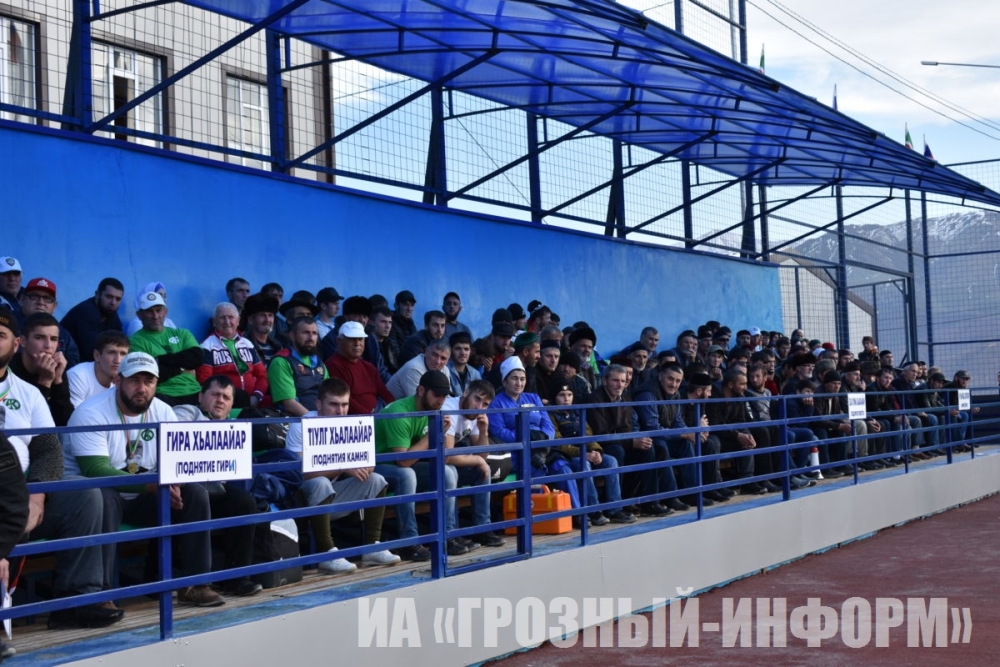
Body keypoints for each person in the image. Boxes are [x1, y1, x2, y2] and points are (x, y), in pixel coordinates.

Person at [66, 352, 225, 607]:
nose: (142, 388)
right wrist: (154, 485)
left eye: (149, 381)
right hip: (93, 500)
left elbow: (177, 460)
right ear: (118, 380)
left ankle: (196, 584)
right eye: (134, 380)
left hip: (143, 495)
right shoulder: (90, 412)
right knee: (103, 495)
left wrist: (175, 483)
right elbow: (94, 469)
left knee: (194, 493)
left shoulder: (163, 411)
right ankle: (100, 594)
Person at [0, 307, 123, 629]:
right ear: (25, 343)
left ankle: (76, 600)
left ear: (14, 343)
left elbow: (49, 448)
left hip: (23, 492)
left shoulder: (27, 392)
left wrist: (37, 496)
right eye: (40, 338)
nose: (47, 346)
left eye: (0, 336)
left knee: (85, 495)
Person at [283, 378, 402, 572]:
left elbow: (369, 464)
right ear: (318, 404)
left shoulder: (352, 424)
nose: (340, 411)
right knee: (320, 483)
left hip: (334, 494)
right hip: (303, 498)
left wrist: (363, 465)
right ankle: (327, 554)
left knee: (376, 480)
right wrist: (343, 467)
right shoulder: (301, 425)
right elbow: (300, 474)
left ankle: (372, 547)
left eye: (345, 404)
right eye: (334, 404)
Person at [171, 376, 263, 597]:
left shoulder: (233, 427)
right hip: (184, 491)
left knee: (245, 503)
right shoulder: (187, 412)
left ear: (231, 405)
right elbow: (174, 431)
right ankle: (181, 579)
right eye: (215, 394)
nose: (220, 400)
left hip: (215, 490)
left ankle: (237, 578)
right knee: (194, 497)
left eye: (226, 397)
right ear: (201, 396)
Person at [375, 370, 471, 561]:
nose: (441, 401)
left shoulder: (433, 411)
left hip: (405, 464)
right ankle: (409, 542)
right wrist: (433, 433)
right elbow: (403, 460)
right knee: (407, 475)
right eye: (437, 395)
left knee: (448, 472)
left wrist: (442, 434)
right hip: (376, 466)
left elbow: (440, 456)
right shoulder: (399, 412)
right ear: (421, 391)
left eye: (444, 396)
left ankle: (447, 536)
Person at [442, 380, 505, 547]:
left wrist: (484, 431)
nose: (479, 407)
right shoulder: (449, 409)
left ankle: (482, 529)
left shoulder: (476, 414)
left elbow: (482, 454)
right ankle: (451, 534)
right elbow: (446, 455)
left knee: (482, 470)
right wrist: (477, 459)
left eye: (485, 404)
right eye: (477, 399)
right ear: (466, 393)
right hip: (426, 461)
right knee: (450, 471)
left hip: (448, 460)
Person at [129, 292, 203, 406]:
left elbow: (197, 357)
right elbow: (150, 375)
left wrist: (161, 360)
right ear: (139, 315)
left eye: (158, 310)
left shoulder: (182, 333)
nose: (155, 316)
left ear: (165, 311)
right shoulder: (135, 341)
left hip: (195, 391)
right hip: (163, 395)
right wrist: (182, 368)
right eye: (149, 311)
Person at [196, 302, 268, 409]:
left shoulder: (247, 344)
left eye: (231, 317)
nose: (227, 321)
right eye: (222, 318)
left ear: (238, 321)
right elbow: (204, 380)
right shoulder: (207, 346)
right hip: (223, 403)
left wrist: (256, 396)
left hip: (253, 400)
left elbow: (262, 376)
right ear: (214, 322)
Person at [10, 313, 74, 426]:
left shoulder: (56, 366)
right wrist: (45, 382)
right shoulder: (8, 368)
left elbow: (66, 422)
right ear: (23, 341)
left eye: (53, 339)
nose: (48, 345)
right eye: (39, 337)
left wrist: (58, 380)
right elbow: (24, 421)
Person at [324, 321, 394, 414]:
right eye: (352, 339)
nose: (357, 343)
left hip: (378, 412)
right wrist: (370, 418)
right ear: (339, 341)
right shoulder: (334, 365)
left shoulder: (369, 367)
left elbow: (385, 394)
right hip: (359, 418)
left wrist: (394, 411)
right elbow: (346, 401)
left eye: (360, 339)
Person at [267, 316, 329, 416]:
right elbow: (289, 404)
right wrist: (315, 421)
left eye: (314, 333)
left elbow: (329, 396)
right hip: (294, 421)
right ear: (292, 335)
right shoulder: (281, 361)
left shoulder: (319, 363)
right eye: (305, 333)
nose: (311, 338)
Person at [17, 277, 80, 367]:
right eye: (34, 296)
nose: (41, 302)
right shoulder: (8, 325)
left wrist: (56, 364)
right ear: (22, 299)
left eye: (47, 298)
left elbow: (74, 363)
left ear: (54, 306)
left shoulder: (62, 333)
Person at [61, 277, 125, 360]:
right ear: (97, 294)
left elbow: (121, 344)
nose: (113, 302)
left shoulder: (111, 314)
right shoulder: (86, 311)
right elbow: (94, 353)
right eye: (109, 297)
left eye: (118, 299)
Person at [68, 331, 131, 407]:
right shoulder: (78, 376)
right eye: (111, 352)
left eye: (123, 354)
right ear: (97, 356)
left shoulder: (124, 381)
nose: (118, 360)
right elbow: (76, 414)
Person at [386, 339, 451, 400]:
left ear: (448, 361)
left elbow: (447, 398)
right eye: (434, 355)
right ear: (426, 352)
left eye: (443, 358)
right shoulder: (413, 369)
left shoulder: (445, 370)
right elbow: (418, 403)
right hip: (390, 405)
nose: (438, 361)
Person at [241, 293, 284, 366]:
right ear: (251, 320)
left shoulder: (278, 346)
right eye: (262, 315)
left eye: (270, 315)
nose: (267, 320)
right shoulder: (242, 344)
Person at [446, 331, 482, 397]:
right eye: (458, 349)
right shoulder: (444, 370)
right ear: (450, 350)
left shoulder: (475, 374)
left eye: (466, 349)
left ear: (470, 351)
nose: (463, 353)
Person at [388, 290, 418, 355]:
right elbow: (395, 352)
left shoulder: (411, 324)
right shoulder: (390, 323)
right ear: (396, 306)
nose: (409, 309)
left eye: (412, 305)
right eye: (405, 305)